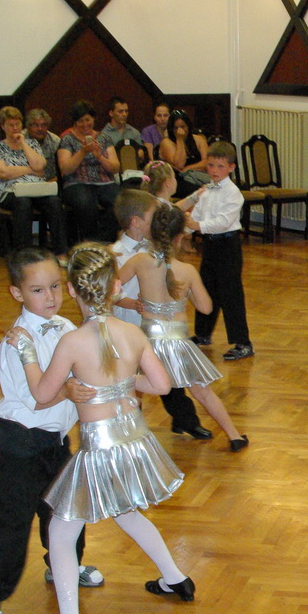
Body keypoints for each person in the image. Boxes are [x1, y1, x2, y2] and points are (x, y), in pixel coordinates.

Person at [10, 243, 194, 614]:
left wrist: (26, 352)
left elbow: (42, 394)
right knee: (126, 510)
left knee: (60, 532)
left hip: (100, 449)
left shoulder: (73, 342)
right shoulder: (133, 333)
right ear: (115, 287)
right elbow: (162, 385)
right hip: (134, 442)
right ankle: (176, 578)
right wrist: (122, 385)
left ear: (72, 290)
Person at [0, 247, 103, 614]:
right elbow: (38, 398)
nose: (51, 297)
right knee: (13, 524)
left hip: (54, 441)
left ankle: (63, 566)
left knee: (64, 512)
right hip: (20, 444)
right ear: (17, 293)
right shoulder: (14, 343)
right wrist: (69, 390)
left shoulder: (65, 327)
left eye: (55, 286)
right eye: (38, 290)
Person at [118, 201, 248, 451]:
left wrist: (131, 303)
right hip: (178, 344)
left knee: (135, 390)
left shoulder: (139, 261)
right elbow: (206, 308)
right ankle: (234, 436)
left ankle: (128, 437)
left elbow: (110, 286)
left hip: (147, 343)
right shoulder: (187, 271)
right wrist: (187, 294)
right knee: (203, 392)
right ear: (180, 238)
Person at [111, 188, 212, 440]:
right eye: (153, 216)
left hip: (156, 328)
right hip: (129, 326)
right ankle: (132, 427)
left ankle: (186, 421)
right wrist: (130, 303)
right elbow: (108, 292)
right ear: (137, 222)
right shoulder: (116, 253)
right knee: (132, 380)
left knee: (169, 378)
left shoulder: (156, 247)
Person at [180, 141, 255, 361]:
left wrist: (197, 226)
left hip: (228, 246)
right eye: (211, 165)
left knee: (231, 294)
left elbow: (223, 222)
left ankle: (243, 343)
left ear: (231, 167)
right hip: (211, 246)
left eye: (220, 166)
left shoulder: (234, 194)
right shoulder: (207, 190)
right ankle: (203, 334)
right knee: (205, 289)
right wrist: (184, 228)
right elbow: (198, 215)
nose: (214, 170)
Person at [0, 106, 66, 259]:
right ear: (3, 126)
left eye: (17, 124)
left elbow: (40, 166)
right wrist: (30, 170)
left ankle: (61, 251)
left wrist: (23, 144)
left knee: (54, 201)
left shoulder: (32, 144)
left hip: (35, 189)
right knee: (23, 202)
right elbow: (3, 173)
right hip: (10, 191)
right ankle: (25, 254)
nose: (15, 128)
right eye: (10, 125)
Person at [58, 101, 121, 243]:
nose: (85, 124)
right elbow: (65, 169)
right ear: (75, 122)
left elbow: (115, 167)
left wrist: (99, 157)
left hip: (104, 182)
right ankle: (90, 240)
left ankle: (104, 240)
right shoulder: (67, 139)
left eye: (88, 120)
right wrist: (82, 152)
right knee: (85, 202)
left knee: (119, 201)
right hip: (76, 183)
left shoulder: (104, 138)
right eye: (80, 121)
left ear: (93, 119)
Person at [159, 109, 212, 197]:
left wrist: (188, 168)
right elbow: (179, 164)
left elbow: (207, 162)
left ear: (188, 127)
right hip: (177, 180)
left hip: (197, 176)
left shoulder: (199, 140)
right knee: (200, 192)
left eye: (183, 127)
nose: (179, 130)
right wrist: (179, 140)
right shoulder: (166, 143)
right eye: (176, 128)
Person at [24, 109, 60, 183]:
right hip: (24, 184)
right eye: (35, 125)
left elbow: (62, 172)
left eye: (43, 125)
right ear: (28, 126)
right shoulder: (19, 140)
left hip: (50, 183)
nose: (40, 129)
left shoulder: (55, 141)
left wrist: (47, 185)